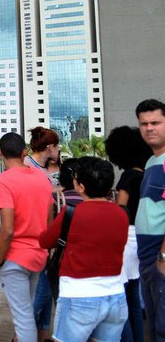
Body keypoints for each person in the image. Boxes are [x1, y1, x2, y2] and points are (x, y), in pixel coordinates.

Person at [38, 157, 129, 342]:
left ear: (80, 186)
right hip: (116, 296)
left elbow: (45, 241)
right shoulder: (121, 214)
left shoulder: (72, 213)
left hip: (79, 296)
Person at [0, 132, 53, 342]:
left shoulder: (5, 180)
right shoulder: (41, 177)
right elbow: (49, 220)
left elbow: (7, 230)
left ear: (0, 152)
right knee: (28, 311)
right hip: (38, 256)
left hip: (15, 258)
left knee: (23, 318)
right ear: (24, 152)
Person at [105, 125, 152, 342]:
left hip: (127, 239)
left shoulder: (128, 177)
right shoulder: (148, 174)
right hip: (144, 236)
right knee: (135, 299)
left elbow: (120, 211)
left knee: (121, 301)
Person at [26, 126, 60, 342]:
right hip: (34, 238)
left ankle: (42, 335)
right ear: (50, 147)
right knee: (40, 291)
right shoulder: (30, 169)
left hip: (44, 238)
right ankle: (21, 336)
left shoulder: (37, 167)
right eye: (57, 146)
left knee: (45, 289)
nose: (58, 151)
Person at [135, 98, 165, 341]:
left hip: (160, 257)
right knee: (154, 326)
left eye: (155, 122)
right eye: (144, 123)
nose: (149, 128)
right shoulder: (152, 160)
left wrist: (163, 255)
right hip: (148, 258)